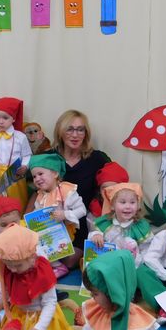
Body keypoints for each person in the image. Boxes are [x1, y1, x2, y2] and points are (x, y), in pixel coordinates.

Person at [43, 110, 112, 268]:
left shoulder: (97, 158)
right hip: (52, 220)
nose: (75, 135)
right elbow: (36, 191)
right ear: (60, 131)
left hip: (80, 220)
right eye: (70, 129)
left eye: (80, 130)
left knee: (70, 260)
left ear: (86, 133)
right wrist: (24, 222)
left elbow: (111, 187)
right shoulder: (49, 158)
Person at [29, 153, 87, 278]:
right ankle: (47, 265)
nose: (37, 179)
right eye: (34, 176)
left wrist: (65, 214)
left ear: (55, 173)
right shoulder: (40, 195)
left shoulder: (66, 190)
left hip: (64, 233)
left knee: (43, 248)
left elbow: (82, 210)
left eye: (40, 174)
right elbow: (37, 212)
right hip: (47, 232)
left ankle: (57, 266)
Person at [88, 183, 152, 264]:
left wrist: (137, 258)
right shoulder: (106, 222)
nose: (128, 206)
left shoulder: (140, 226)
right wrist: (96, 235)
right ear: (112, 206)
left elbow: (147, 249)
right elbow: (93, 238)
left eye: (132, 202)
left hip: (131, 264)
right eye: (123, 202)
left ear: (138, 205)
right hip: (108, 262)